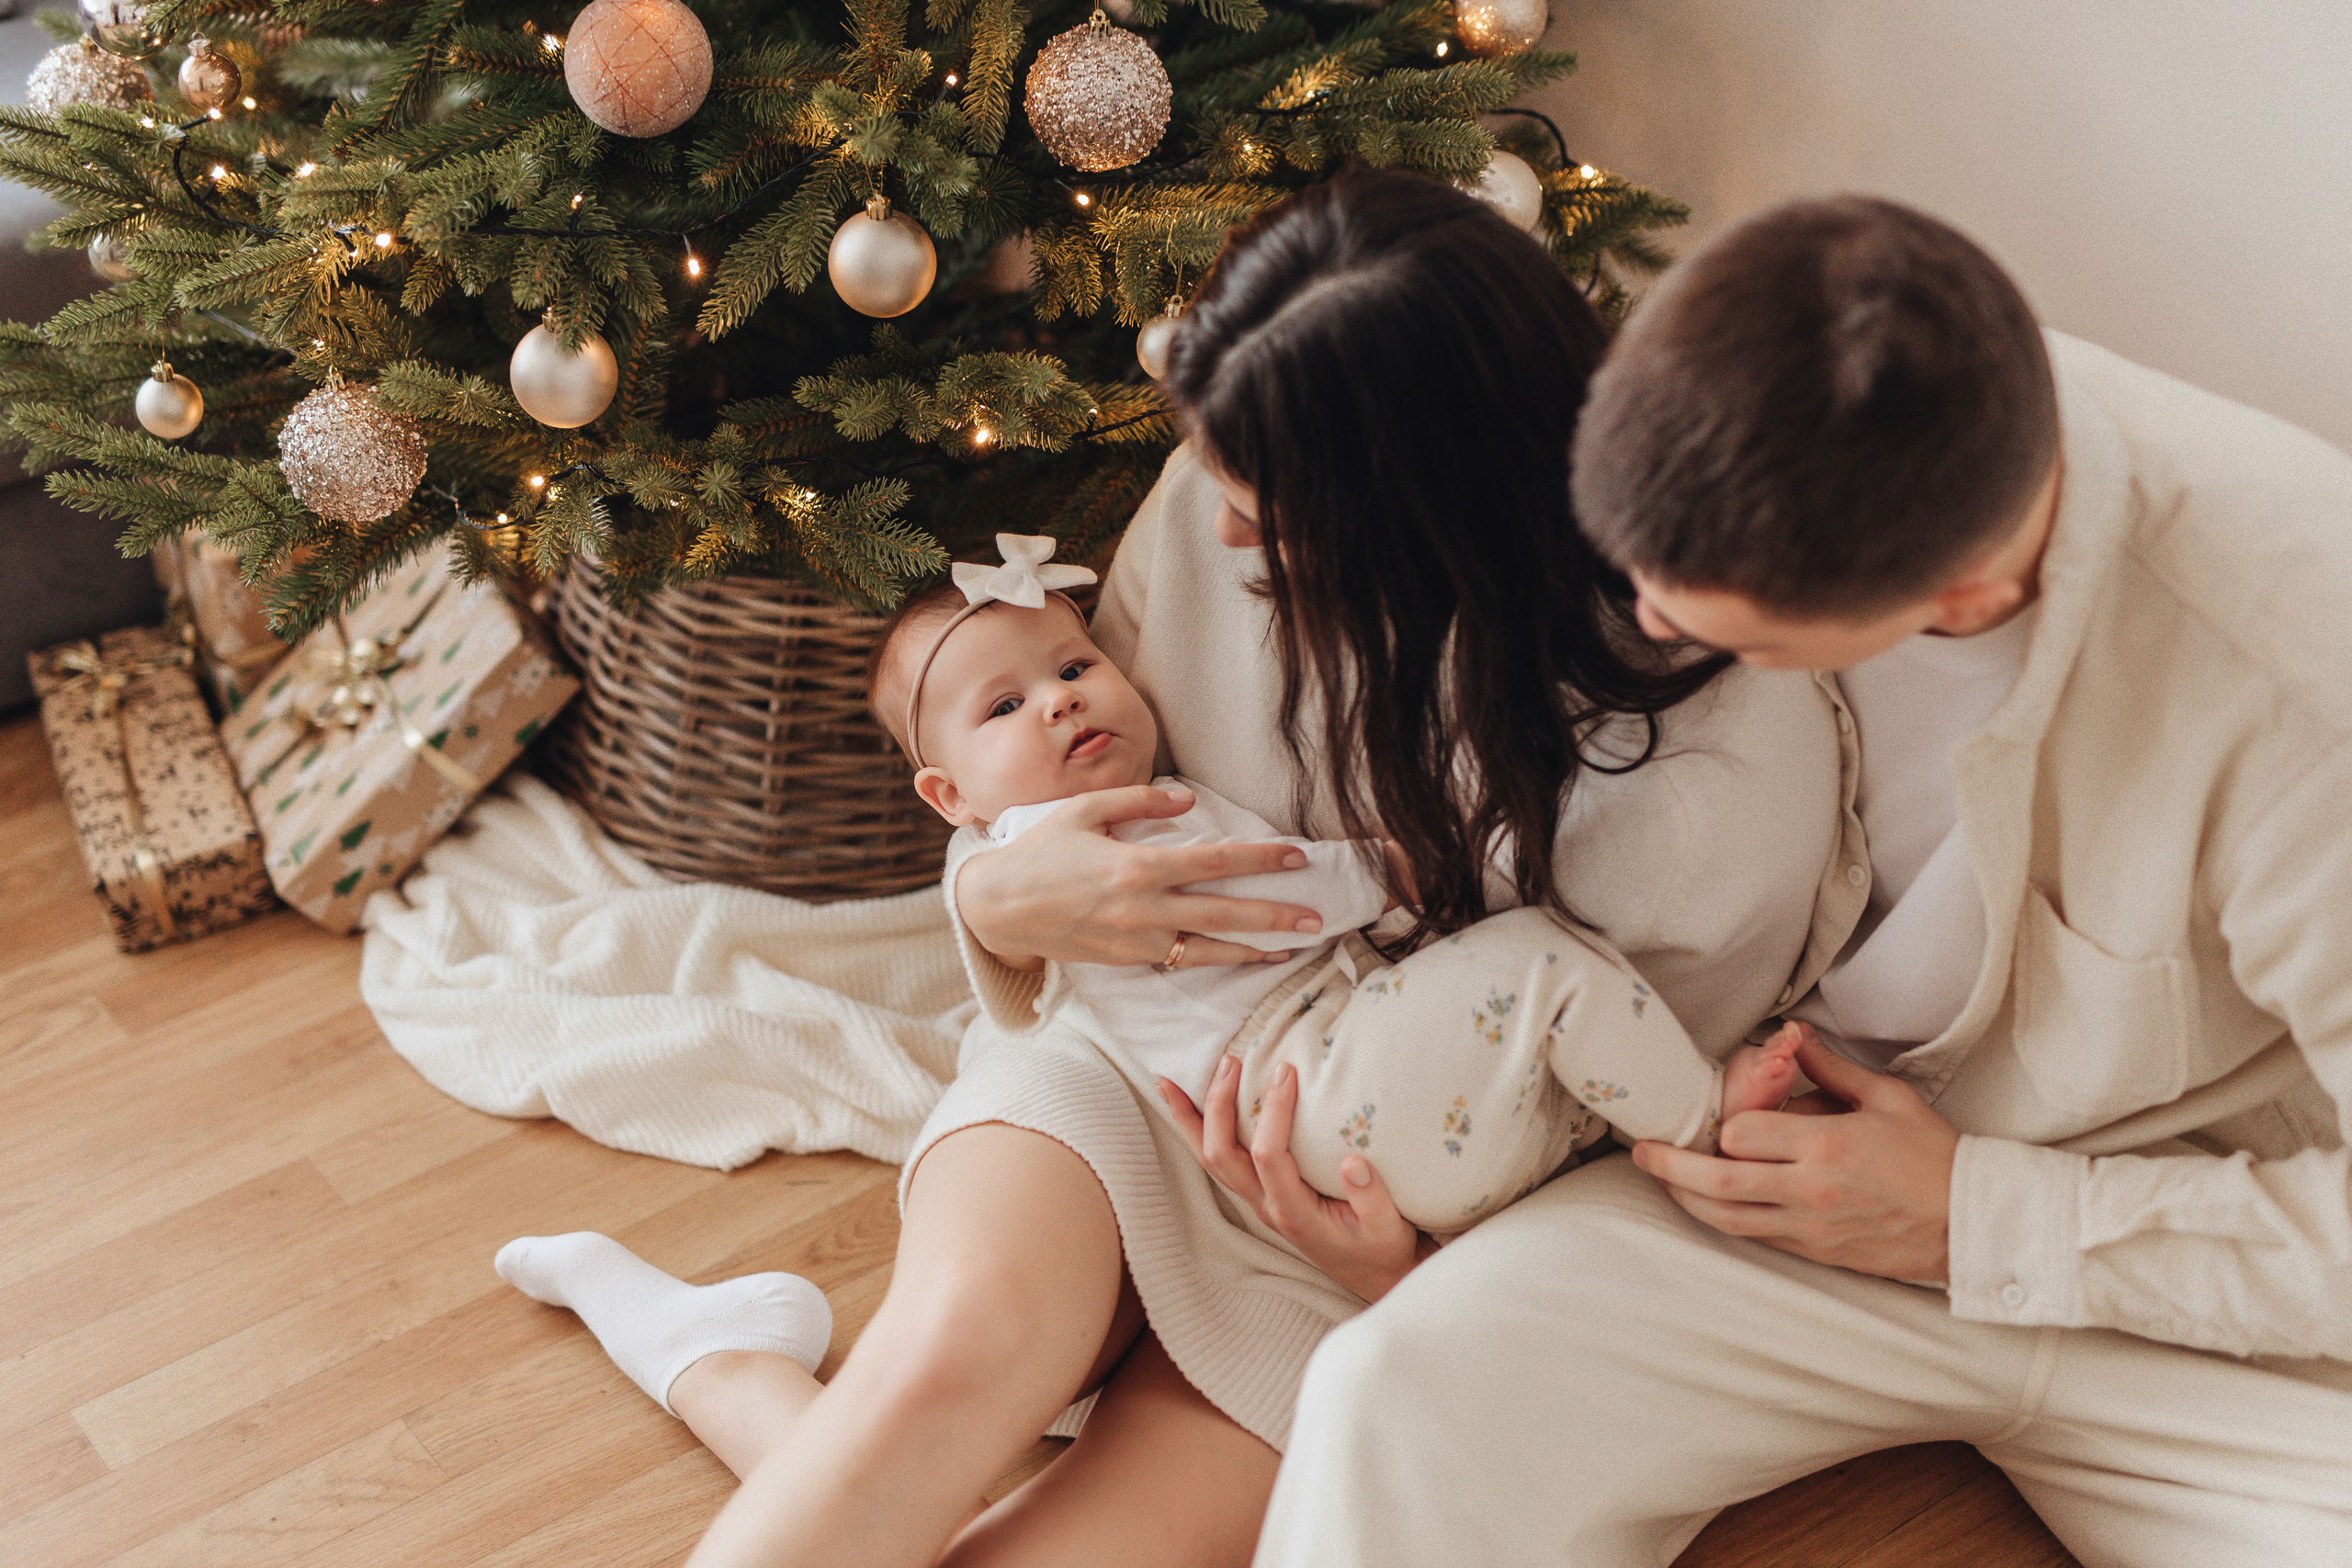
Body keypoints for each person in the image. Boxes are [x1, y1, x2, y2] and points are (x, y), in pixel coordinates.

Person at [492, 170, 1841, 1568]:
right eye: (1222, 478)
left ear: (1439, 499)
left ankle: (720, 1360)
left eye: (1273, 511)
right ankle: (760, 1371)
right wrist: (991, 900)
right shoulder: (1244, 462)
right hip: (1123, 1069)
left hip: (1365, 1225)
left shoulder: (1706, 776)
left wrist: (1400, 1273)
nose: (1226, 532)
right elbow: (1065, 785)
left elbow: (1624, 1123)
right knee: (937, 1373)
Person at [1249, 195, 2352, 1566]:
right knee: (1394, 1397)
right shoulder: (1768, 401)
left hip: (2193, 1258)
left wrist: (1978, 1216)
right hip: (1772, 1188)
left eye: (1706, 618)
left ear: (1950, 599)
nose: (1642, 622)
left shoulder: (2299, 682)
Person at [870, 547, 1799, 1231]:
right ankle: (1704, 1126)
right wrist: (1400, 867)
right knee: (1542, 962)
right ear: (950, 796)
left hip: (1364, 1121)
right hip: (1313, 1080)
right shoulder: (1103, 837)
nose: (1060, 699)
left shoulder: (1089, 819)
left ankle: (1616, 1132)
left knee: (1543, 1009)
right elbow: (1271, 898)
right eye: (1004, 707)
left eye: (1075, 667)